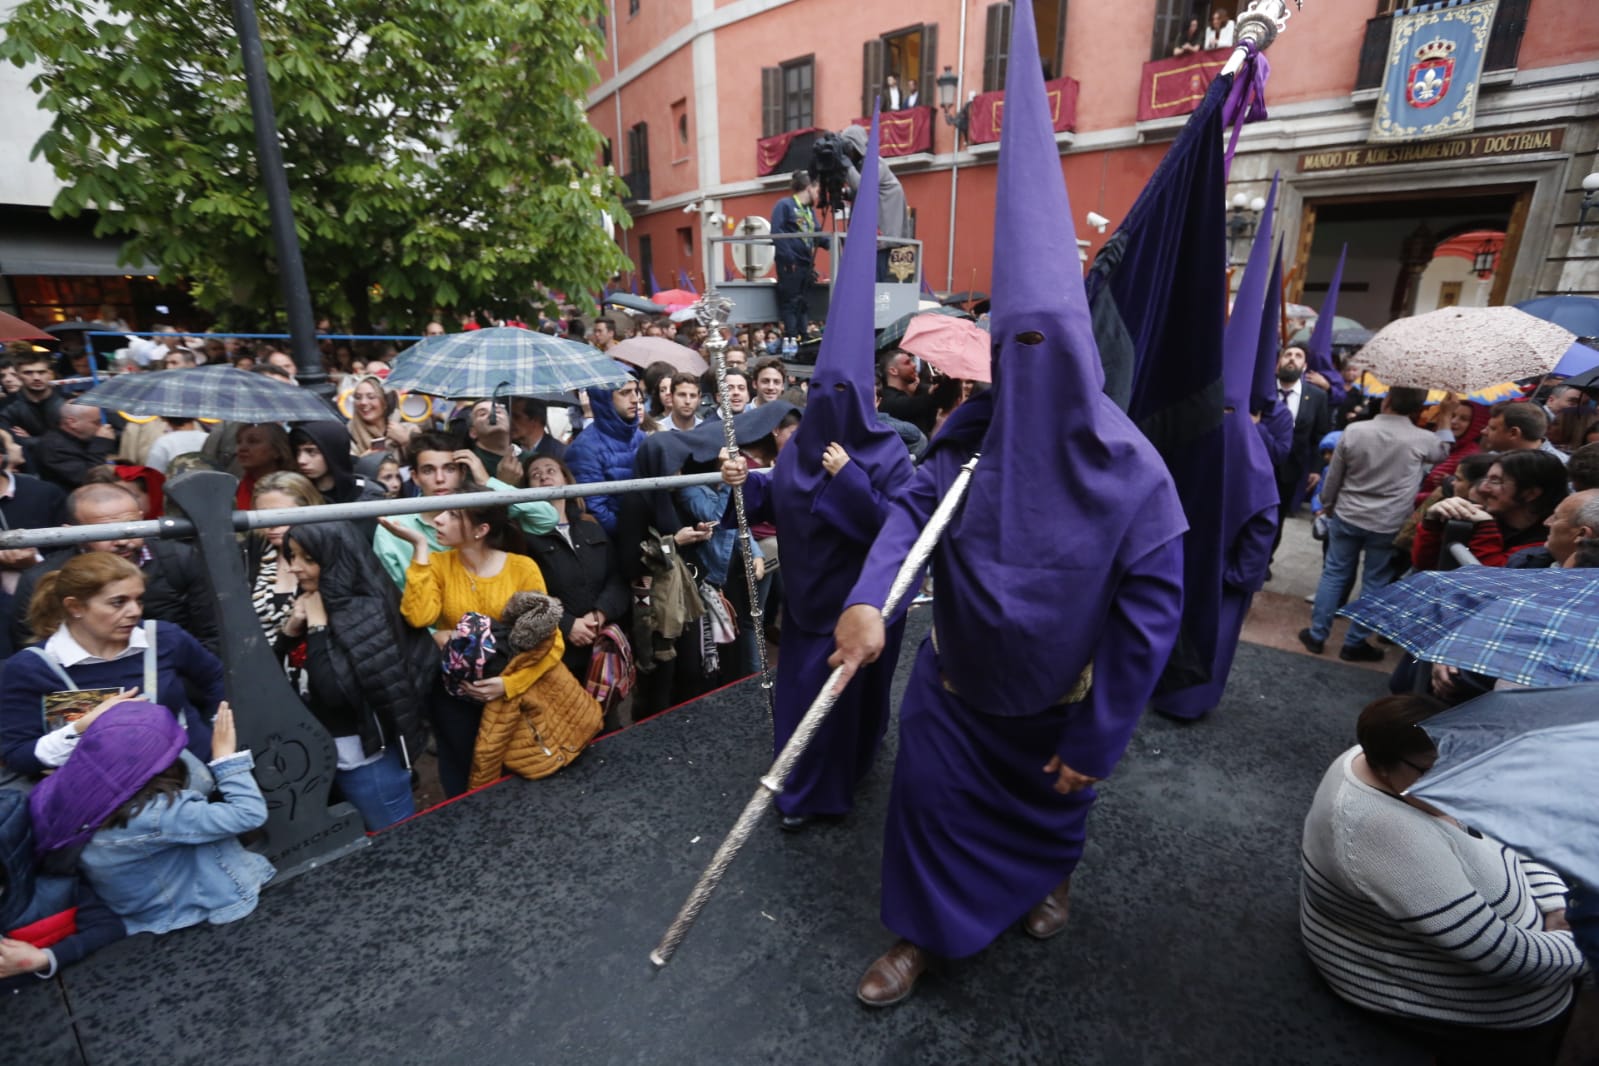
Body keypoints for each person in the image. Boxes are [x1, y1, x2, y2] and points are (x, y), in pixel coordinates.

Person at [829, 7, 1186, 1006]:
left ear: (1077, 361)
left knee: (1053, 805)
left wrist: (1100, 736)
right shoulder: (967, 439)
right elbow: (906, 518)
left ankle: (1051, 872)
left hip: (1057, 701)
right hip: (954, 684)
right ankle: (920, 934)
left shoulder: (1134, 473)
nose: (1022, 379)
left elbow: (1149, 618)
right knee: (925, 801)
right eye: (1009, 354)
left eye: (1045, 355)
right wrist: (870, 601)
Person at [723, 114, 913, 832]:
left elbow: (897, 529)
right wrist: (746, 475)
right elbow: (780, 492)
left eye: (846, 397)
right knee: (802, 706)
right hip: (804, 614)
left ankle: (845, 778)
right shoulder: (800, 445)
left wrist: (850, 483)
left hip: (857, 611)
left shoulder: (888, 451)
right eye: (820, 397)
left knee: (852, 710)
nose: (832, 409)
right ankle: (800, 795)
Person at [1300, 694, 1584, 1065]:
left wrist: (1556, 906)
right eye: (1435, 769)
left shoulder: (1404, 763)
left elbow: (1513, 827)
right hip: (1451, 998)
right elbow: (1508, 959)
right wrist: (1585, 944)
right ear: (1384, 766)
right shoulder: (1385, 831)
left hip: (1529, 949)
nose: (1456, 777)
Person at [30, 701, 276, 937]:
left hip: (138, 911)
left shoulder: (68, 790)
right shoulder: (158, 814)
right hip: (188, 909)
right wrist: (225, 758)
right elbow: (249, 813)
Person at [380, 503, 556, 798]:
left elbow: (550, 641)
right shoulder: (437, 564)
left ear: (480, 530)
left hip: (512, 695)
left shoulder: (522, 568)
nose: (437, 518)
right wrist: (420, 548)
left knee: (520, 772)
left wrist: (508, 684)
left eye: (452, 515)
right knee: (462, 774)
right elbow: (418, 617)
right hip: (455, 693)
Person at [0, 552, 223, 778]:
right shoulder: (33, 667)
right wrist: (82, 727)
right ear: (75, 607)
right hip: (103, 799)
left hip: (193, 783)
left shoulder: (163, 637)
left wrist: (216, 735)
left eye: (139, 599)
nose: (135, 611)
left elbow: (219, 679)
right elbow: (19, 754)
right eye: (118, 602)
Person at [278, 521, 427, 830]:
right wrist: (290, 631)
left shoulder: (363, 611)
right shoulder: (311, 601)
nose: (295, 568)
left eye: (308, 559)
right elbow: (274, 677)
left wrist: (317, 628)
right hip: (327, 756)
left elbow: (334, 692)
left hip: (367, 764)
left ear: (336, 559)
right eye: (291, 557)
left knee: (396, 842)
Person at [1299, 386, 1448, 663]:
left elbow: (1333, 477)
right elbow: (1444, 451)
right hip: (1388, 521)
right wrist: (1447, 418)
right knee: (1375, 581)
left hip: (1347, 514)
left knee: (1334, 574)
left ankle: (1318, 635)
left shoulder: (1355, 431)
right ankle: (1355, 642)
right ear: (1418, 408)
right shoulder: (1424, 439)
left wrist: (1326, 504)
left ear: (1387, 400)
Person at [9, 482, 218, 653]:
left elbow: (214, 634)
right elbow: (32, 650)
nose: (122, 540)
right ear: (73, 533)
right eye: (105, 532)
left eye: (132, 527)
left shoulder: (179, 559)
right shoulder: (44, 578)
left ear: (142, 517)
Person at [371, 432, 558, 589]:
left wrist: (486, 482)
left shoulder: (482, 511)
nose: (439, 478)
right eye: (428, 470)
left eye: (449, 469)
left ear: (462, 473)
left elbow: (546, 518)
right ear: (415, 477)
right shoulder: (394, 528)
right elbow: (393, 597)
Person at [524, 457, 631, 688]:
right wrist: (567, 624)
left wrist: (599, 614)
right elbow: (525, 593)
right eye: (535, 474)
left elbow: (617, 577)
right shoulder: (524, 538)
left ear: (565, 478)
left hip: (603, 647)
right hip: (557, 652)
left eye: (551, 470)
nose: (544, 476)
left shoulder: (590, 526)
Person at [1411, 451, 1569, 569]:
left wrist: (1486, 529)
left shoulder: (1548, 543)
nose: (1482, 488)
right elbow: (1426, 565)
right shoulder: (1477, 515)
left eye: (1495, 481)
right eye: (1485, 478)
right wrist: (1432, 523)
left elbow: (1489, 582)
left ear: (1530, 493)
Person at [247, 471, 325, 637]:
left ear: (309, 510)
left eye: (280, 515)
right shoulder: (250, 552)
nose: (271, 525)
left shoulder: (325, 555)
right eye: (262, 516)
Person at [565, 382, 646, 537]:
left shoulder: (640, 437)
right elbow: (594, 509)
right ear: (605, 399)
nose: (635, 399)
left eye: (636, 391)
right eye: (625, 393)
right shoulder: (584, 448)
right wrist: (630, 535)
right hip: (616, 541)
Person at [770, 171, 823, 340]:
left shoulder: (809, 210)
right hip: (790, 264)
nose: (818, 194)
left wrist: (837, 243)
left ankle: (804, 336)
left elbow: (817, 234)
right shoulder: (784, 205)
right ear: (809, 188)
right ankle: (792, 338)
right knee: (791, 302)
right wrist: (788, 258)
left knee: (803, 303)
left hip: (806, 263)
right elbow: (776, 232)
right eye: (817, 190)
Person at [839, 124, 911, 240]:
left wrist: (846, 165)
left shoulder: (875, 163)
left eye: (850, 148)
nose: (848, 153)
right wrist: (846, 193)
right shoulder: (861, 165)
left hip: (883, 234)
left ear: (857, 146)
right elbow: (866, 193)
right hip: (874, 234)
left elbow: (862, 187)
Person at [1415, 399, 1489, 505]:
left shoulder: (1470, 456)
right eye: (1452, 415)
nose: (1454, 421)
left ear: (1475, 424)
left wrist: (1409, 497)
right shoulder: (1440, 445)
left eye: (1463, 419)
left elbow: (1443, 495)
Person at [31, 403, 115, 492]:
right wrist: (101, 444)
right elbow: (91, 479)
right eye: (96, 422)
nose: (102, 427)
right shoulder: (54, 448)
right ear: (72, 423)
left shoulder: (84, 438)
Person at [290, 421, 378, 504]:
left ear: (333, 451)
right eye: (297, 452)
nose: (301, 460)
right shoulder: (294, 495)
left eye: (311, 451)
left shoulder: (368, 493)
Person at [0, 352, 63, 444]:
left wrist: (31, 440)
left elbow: (74, 440)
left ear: (50, 374)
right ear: (18, 376)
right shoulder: (8, 407)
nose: (36, 377)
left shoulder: (67, 402)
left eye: (41, 372)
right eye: (28, 373)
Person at [346, 374, 414, 457]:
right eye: (358, 397)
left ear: (385, 402)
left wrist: (406, 441)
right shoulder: (347, 433)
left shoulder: (409, 429)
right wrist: (363, 463)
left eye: (371, 397)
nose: (363, 402)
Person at [1481, 400, 1567, 466]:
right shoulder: (1493, 457)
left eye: (1493, 428)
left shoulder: (1560, 466)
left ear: (1513, 433)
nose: (1483, 431)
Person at [232, 422, 295, 510]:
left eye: (253, 441)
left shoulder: (293, 488)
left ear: (277, 450)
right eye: (239, 441)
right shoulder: (235, 489)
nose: (242, 448)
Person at [877, 350, 938, 436]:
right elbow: (913, 404)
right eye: (907, 363)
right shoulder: (889, 402)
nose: (914, 365)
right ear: (893, 371)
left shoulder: (911, 394)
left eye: (912, 361)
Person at [141, 417, 211, 475]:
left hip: (173, 489)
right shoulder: (208, 438)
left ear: (167, 419)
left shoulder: (164, 442)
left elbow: (154, 475)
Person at [510, 397, 567, 464]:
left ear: (535, 420)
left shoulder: (559, 453)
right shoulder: (510, 448)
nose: (510, 421)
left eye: (517, 417)